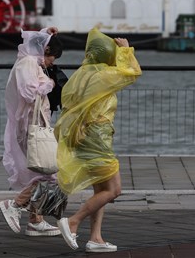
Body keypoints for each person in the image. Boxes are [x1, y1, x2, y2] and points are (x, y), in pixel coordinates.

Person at [54, 28, 142, 253]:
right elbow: (133, 72)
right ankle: (73, 221)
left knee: (100, 190)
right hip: (96, 140)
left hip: (84, 137)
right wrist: (125, 50)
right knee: (113, 190)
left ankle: (96, 238)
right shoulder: (103, 76)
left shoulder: (82, 75)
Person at [0, 27, 63, 237]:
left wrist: (47, 32)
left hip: (34, 124)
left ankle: (36, 219)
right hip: (30, 126)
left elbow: (35, 40)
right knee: (48, 174)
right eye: (52, 57)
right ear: (44, 51)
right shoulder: (27, 63)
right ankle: (15, 205)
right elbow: (29, 91)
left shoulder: (30, 60)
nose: (52, 62)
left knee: (41, 172)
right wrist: (50, 83)